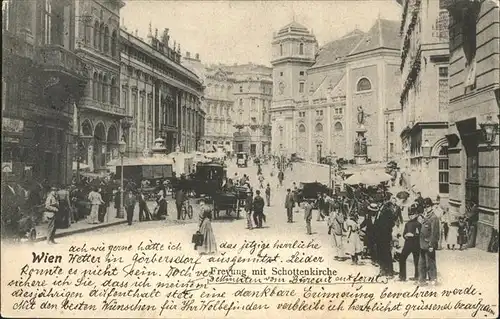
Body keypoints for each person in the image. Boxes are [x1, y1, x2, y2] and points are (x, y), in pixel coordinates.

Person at [418, 198, 440, 286]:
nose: (426, 208)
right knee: (422, 263)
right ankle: (422, 280)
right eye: (424, 207)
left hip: (429, 244)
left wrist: (431, 244)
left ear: (431, 206)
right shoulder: (425, 216)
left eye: (427, 206)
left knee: (431, 263)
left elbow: (435, 233)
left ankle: (433, 279)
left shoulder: (434, 218)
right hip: (422, 244)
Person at [398, 204, 421, 282]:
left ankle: (417, 276)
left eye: (412, 214)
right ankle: (402, 277)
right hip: (407, 243)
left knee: (417, 260)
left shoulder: (418, 224)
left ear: (416, 215)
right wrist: (405, 235)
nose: (410, 216)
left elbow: (420, 235)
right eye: (409, 215)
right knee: (402, 258)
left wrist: (413, 235)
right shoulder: (407, 224)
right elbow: (403, 233)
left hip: (416, 244)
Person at [374, 202, 395, 277]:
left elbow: (391, 224)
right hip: (379, 236)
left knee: (386, 254)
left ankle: (389, 272)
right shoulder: (379, 211)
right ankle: (382, 270)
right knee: (380, 254)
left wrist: (385, 230)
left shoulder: (387, 211)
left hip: (385, 236)